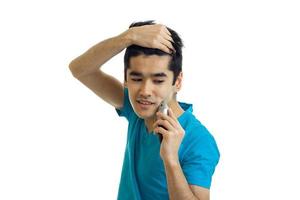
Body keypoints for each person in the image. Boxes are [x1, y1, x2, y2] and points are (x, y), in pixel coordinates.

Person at [69, 20, 220, 200]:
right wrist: (127, 37)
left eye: (158, 80)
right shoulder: (136, 110)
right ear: (126, 78)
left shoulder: (199, 140)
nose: (145, 92)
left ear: (177, 81)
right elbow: (80, 70)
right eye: (136, 78)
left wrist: (171, 159)